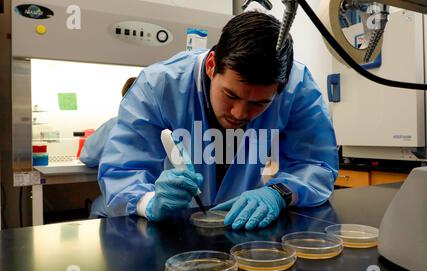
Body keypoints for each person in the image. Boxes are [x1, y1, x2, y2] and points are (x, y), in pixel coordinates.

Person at [98, 11, 338, 230]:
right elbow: (123, 171)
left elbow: (316, 164)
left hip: (244, 229)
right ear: (212, 65)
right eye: (231, 95)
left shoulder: (297, 88)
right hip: (172, 230)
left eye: (260, 103)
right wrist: (150, 202)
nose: (239, 113)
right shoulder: (158, 85)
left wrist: (278, 193)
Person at [80, 77, 136, 218]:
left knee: (98, 206)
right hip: (154, 195)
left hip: (125, 197)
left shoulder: (116, 124)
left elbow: (88, 156)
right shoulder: (164, 124)